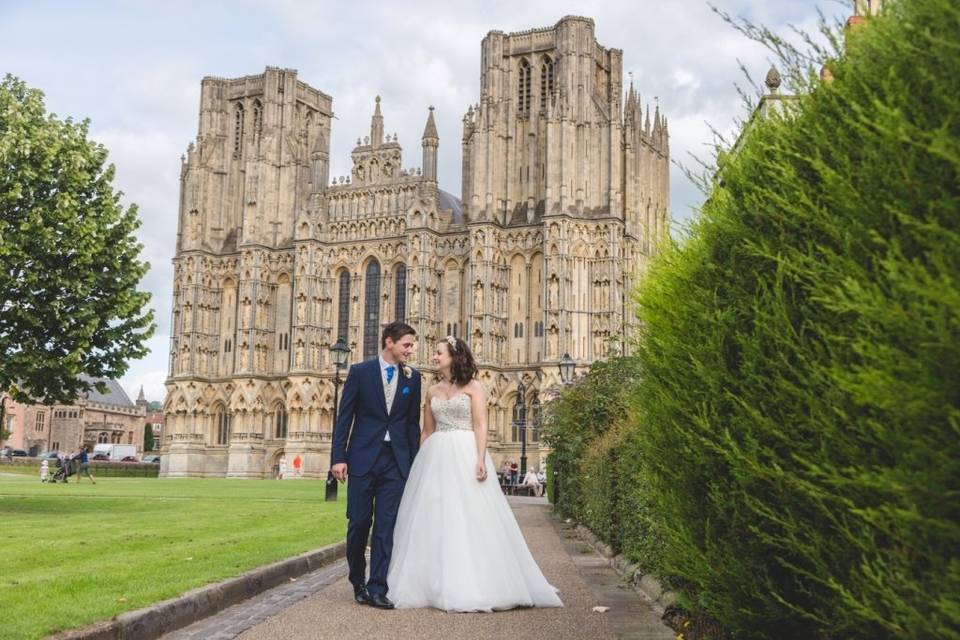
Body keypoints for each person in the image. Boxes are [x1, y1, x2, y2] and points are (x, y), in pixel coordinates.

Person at [386, 336, 563, 612]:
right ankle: (432, 583)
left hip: (465, 450)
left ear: (454, 357)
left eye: (438, 353)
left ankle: (477, 582)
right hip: (436, 453)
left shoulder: (474, 387)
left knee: (471, 514)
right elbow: (427, 430)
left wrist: (480, 458)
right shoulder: (431, 391)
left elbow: (480, 425)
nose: (434, 358)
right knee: (433, 516)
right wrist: (420, 461)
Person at [330, 321, 422, 610]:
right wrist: (338, 458)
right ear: (389, 342)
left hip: (395, 461)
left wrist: (413, 464)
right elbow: (344, 418)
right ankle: (358, 579)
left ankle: (378, 587)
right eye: (406, 345)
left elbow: (410, 424)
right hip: (362, 458)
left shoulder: (413, 378)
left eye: (412, 345)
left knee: (386, 526)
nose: (410, 350)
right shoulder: (360, 372)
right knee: (358, 523)